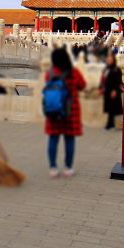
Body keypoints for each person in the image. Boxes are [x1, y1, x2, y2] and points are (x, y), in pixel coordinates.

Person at [45, 47, 86, 178]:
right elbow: (82, 85)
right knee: (69, 139)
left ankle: (53, 168)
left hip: (54, 110)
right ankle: (68, 168)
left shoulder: (50, 73)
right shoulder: (74, 72)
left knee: (53, 138)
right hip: (70, 110)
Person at [100, 53, 122, 130]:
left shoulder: (116, 69)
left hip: (113, 91)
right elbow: (103, 79)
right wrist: (101, 87)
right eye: (108, 60)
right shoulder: (106, 68)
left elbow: (118, 81)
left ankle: (109, 124)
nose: (109, 61)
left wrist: (115, 90)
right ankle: (111, 124)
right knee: (109, 108)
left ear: (113, 60)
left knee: (111, 108)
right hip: (107, 90)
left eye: (110, 60)